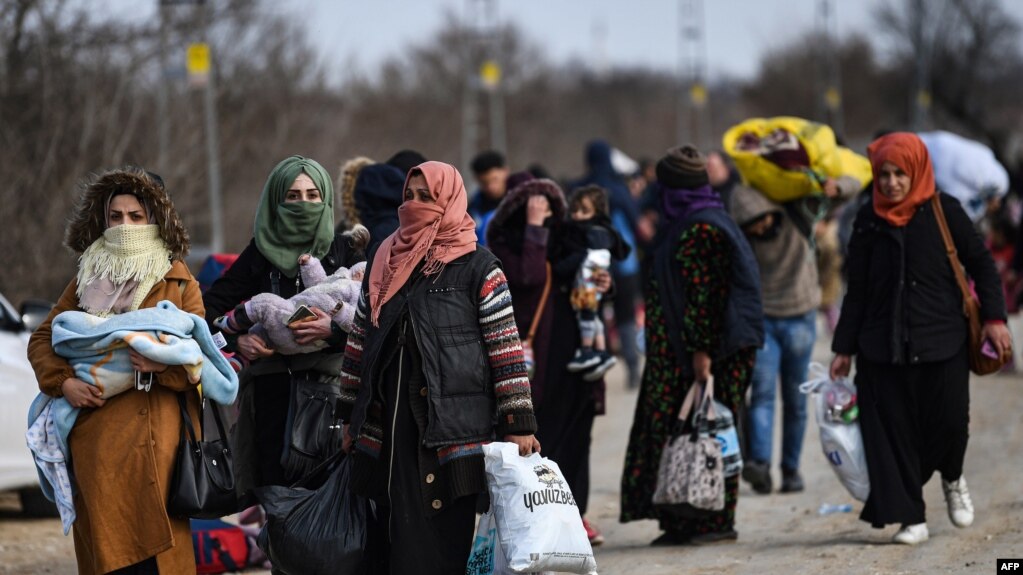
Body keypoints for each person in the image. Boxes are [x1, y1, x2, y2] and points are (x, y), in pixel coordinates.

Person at [339, 161, 540, 574]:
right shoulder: (385, 259)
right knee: (396, 541)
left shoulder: (479, 267)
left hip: (454, 431)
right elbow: (360, 341)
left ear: (448, 200)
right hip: (389, 430)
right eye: (408, 196)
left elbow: (505, 349)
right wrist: (347, 415)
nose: (413, 205)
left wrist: (518, 422)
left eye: (426, 197)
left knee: (443, 543)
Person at [830, 132, 1011, 545]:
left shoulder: (944, 210)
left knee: (950, 425)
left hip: (941, 339)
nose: (892, 183)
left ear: (917, 170)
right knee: (893, 434)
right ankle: (911, 517)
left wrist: (996, 319)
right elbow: (856, 288)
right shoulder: (867, 220)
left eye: (900, 173)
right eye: (884, 175)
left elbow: (982, 265)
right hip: (881, 346)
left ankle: (952, 475)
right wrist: (844, 347)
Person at [27, 167, 203, 574]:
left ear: (157, 220)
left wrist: (162, 365)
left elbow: (198, 359)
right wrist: (64, 383)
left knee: (159, 560)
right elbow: (43, 339)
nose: (125, 226)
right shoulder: (86, 278)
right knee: (113, 558)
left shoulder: (178, 281)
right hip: (97, 442)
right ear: (102, 220)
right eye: (116, 217)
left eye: (136, 217)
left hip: (160, 448)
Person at [621, 145, 763, 546]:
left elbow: (707, 297)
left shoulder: (702, 228)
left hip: (707, 353)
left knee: (707, 434)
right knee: (680, 433)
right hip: (682, 353)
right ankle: (683, 519)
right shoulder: (691, 221)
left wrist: (703, 356)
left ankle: (713, 521)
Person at [203, 155, 366, 496]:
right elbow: (205, 312)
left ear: (326, 200)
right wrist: (237, 343)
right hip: (272, 401)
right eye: (293, 196)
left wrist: (332, 332)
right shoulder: (259, 254)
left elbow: (372, 320)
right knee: (276, 502)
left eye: (312, 195)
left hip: (332, 399)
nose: (303, 204)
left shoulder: (346, 251)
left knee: (331, 503)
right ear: (276, 200)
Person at [486, 176, 612, 545]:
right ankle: (543, 518)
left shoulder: (564, 236)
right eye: (533, 206)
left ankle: (577, 514)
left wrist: (605, 283)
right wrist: (534, 229)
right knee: (546, 437)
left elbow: (584, 274)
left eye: (547, 207)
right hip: (539, 362)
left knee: (579, 437)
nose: (543, 212)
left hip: (578, 358)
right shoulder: (506, 243)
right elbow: (529, 274)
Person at [729, 158, 862, 494]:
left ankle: (791, 470)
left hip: (801, 314)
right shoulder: (742, 236)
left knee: (795, 397)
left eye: (760, 221)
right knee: (761, 393)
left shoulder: (798, 214)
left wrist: (838, 187)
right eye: (750, 225)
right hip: (764, 320)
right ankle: (759, 464)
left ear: (769, 209)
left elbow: (850, 188)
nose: (757, 229)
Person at [573, 139, 644, 389]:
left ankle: (597, 370)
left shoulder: (580, 188)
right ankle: (633, 368)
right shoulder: (618, 188)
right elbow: (637, 222)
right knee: (625, 317)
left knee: (595, 315)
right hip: (624, 264)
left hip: (591, 263)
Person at [558, 185, 630, 381]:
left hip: (585, 296)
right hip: (573, 309)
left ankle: (592, 350)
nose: (578, 216)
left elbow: (601, 273)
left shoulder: (591, 236)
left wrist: (607, 284)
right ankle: (598, 351)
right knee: (592, 318)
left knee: (590, 317)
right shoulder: (574, 235)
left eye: (585, 211)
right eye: (575, 210)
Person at [468, 150, 510, 246]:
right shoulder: (473, 209)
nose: (491, 187)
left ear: (505, 171)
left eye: (495, 179)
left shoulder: (520, 203)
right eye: (485, 183)